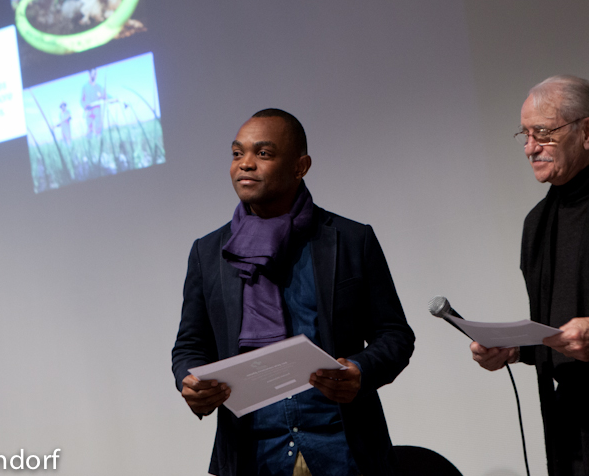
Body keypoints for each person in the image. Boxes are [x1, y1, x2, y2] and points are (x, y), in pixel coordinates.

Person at [172, 108, 414, 476]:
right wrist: (191, 383)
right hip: (252, 454)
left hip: (343, 449)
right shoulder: (208, 253)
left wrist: (361, 370)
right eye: (238, 154)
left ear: (301, 166)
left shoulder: (349, 239)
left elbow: (395, 335)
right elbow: (191, 345)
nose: (245, 165)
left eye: (263, 154)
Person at [471, 76, 589, 476]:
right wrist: (517, 349)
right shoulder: (537, 224)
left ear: (588, 131)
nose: (529, 147)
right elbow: (559, 333)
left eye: (543, 133)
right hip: (571, 426)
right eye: (525, 134)